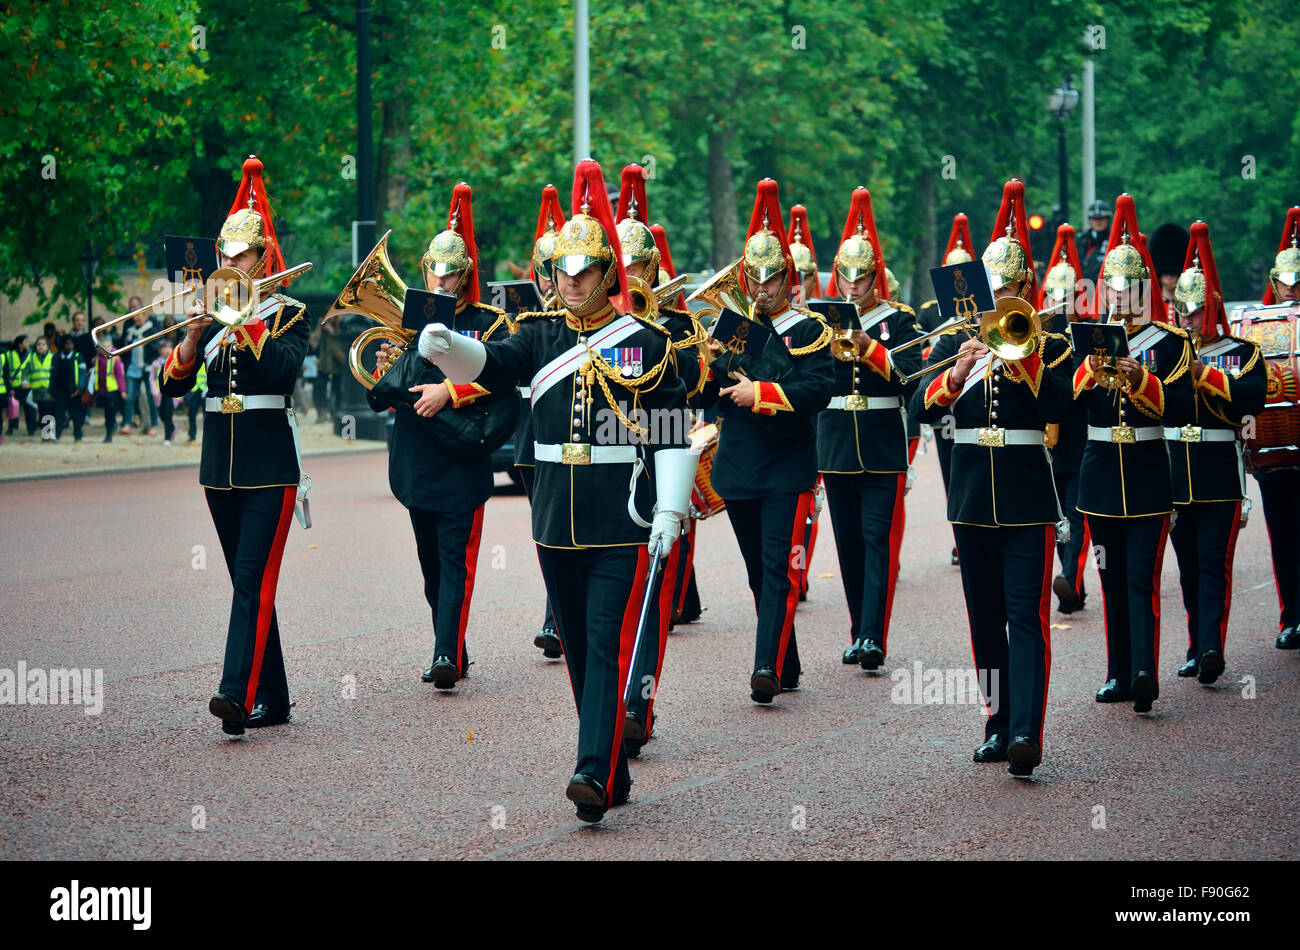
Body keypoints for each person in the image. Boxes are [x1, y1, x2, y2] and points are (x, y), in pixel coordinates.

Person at [417, 159, 692, 822]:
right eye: (561, 274)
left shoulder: (642, 343)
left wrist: (671, 506)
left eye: (584, 273)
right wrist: (444, 345)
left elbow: (671, 431)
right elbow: (489, 365)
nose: (571, 285)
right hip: (553, 520)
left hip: (620, 518)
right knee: (576, 649)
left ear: (606, 275)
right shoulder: (535, 335)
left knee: (603, 644)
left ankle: (591, 770)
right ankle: (610, 768)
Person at [910, 179, 1073, 777]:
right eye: (990, 287)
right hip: (973, 498)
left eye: (1005, 288)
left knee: (1025, 617)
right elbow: (922, 408)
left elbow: (1065, 407)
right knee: (985, 620)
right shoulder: (962, 340)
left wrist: (1023, 357)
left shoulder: (1050, 341)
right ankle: (997, 723)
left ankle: (1027, 730)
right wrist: (955, 374)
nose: (996, 298)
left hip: (1028, 498)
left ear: (1023, 292)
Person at [157, 155, 311, 737]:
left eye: (240, 256)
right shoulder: (210, 317)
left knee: (251, 582)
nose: (229, 264)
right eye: (224, 256)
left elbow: (280, 373)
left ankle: (234, 695)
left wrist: (243, 318)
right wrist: (195, 334)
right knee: (250, 585)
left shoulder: (289, 313)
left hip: (270, 469)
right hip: (218, 469)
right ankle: (274, 695)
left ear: (263, 257)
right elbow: (173, 388)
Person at [372, 183, 518, 689]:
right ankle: (451, 641)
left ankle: (444, 656)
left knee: (457, 561)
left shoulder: (488, 323)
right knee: (431, 565)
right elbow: (383, 392)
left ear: (465, 274)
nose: (442, 279)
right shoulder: (404, 325)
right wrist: (387, 365)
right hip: (417, 459)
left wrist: (449, 392)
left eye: (451, 271)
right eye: (435, 269)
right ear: (423, 269)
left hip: (463, 458)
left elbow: (502, 386)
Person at [697, 178, 834, 704]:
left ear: (787, 280)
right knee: (759, 572)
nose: (761, 289)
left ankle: (765, 668)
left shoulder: (809, 328)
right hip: (738, 464)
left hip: (786, 463)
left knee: (778, 567)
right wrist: (709, 361)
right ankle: (788, 659)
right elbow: (706, 396)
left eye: (770, 280)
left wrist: (763, 390)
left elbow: (819, 389)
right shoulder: (730, 328)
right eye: (753, 279)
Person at [1075, 194, 1195, 714]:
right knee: (1109, 577)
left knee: (1140, 577)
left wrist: (1141, 378)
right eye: (1114, 289)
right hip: (1101, 473)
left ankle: (1144, 670)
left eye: (1130, 290)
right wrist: (1093, 362)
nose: (1121, 297)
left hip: (1146, 471)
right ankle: (1116, 672)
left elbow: (1182, 406)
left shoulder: (1168, 343)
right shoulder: (1090, 339)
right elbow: (1069, 397)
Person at [614, 164, 708, 757]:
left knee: (649, 603)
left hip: (655, 471)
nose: (630, 276)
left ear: (652, 269)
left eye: (637, 266)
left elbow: (691, 390)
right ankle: (606, 704)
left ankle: (636, 709)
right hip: (601, 471)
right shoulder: (588, 327)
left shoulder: (676, 324)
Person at [817, 187, 922, 671]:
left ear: (876, 277)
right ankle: (858, 629)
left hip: (881, 443)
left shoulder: (899, 321)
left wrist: (869, 348)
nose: (853, 285)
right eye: (847, 277)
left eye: (862, 277)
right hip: (837, 442)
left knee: (877, 538)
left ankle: (875, 636)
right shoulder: (822, 318)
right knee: (849, 544)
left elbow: (909, 380)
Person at [1165, 221, 1265, 684]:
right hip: (1173, 478)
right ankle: (1193, 643)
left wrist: (1203, 373)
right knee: (1187, 569)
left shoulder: (1240, 351)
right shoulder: (1163, 351)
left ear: (1212, 308)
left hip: (1219, 477)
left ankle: (1211, 647)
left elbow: (1251, 398)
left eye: (1195, 311)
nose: (1187, 320)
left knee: (1213, 565)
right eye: (1181, 311)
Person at [513, 183, 565, 660]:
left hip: (570, 437)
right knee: (543, 528)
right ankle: (556, 614)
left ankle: (556, 619)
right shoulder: (528, 320)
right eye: (545, 272)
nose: (550, 281)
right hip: (532, 440)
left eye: (557, 271)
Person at [1247, 206, 1300, 649]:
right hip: (1279, 450)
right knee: (1283, 535)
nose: (1294, 288)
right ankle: (1292, 615)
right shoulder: (1261, 329)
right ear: (1275, 281)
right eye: (1288, 280)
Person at [1040, 224, 1092, 614]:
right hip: (1045, 446)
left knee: (1074, 515)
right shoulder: (1035, 335)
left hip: (1078, 440)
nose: (1058, 303)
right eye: (1052, 296)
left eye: (1065, 296)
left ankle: (1071, 578)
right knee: (1056, 517)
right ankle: (1072, 580)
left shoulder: (1086, 333)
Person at [119, 307, 159, 435]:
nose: (137, 318)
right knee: (130, 397)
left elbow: (157, 348)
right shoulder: (129, 332)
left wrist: (146, 343)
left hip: (147, 368)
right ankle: (126, 424)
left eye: (140, 315)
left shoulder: (151, 330)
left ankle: (153, 425)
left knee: (150, 397)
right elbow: (124, 351)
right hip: (132, 369)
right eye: (135, 315)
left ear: (145, 316)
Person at [52, 333, 88, 441]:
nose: (69, 346)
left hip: (74, 391)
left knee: (76, 415)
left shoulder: (78, 357)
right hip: (60, 390)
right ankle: (57, 435)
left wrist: (80, 388)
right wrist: (52, 389)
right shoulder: (57, 357)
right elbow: (53, 375)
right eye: (67, 344)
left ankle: (78, 435)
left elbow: (82, 373)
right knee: (59, 414)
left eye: (71, 344)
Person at [21, 335, 55, 438]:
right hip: (36, 390)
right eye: (38, 344)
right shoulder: (31, 357)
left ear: (47, 347)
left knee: (49, 411)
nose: (40, 347)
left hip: (49, 390)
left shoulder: (52, 357)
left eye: (43, 345)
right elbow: (25, 371)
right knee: (42, 412)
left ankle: (49, 433)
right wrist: (25, 382)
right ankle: (46, 433)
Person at [92, 344, 127, 442]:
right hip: (103, 391)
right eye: (103, 347)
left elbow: (119, 376)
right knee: (108, 415)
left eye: (108, 346)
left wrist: (122, 390)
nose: (106, 349)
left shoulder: (115, 360)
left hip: (113, 391)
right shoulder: (97, 360)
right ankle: (109, 433)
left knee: (112, 413)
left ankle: (111, 433)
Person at [148, 339, 177, 445]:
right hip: (159, 394)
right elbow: (151, 378)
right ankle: (173, 428)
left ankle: (167, 438)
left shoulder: (175, 362)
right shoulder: (156, 364)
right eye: (164, 348)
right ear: (160, 350)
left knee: (168, 414)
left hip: (171, 393)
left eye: (169, 347)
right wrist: (154, 390)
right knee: (162, 414)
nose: (167, 350)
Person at [1077, 199, 1111, 288]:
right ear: (1090, 220)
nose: (1098, 222)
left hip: (1106, 288)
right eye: (1095, 219)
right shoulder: (1081, 239)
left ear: (1108, 220)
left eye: (1102, 218)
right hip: (1083, 289)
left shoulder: (1114, 239)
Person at [6, 335, 30, 435]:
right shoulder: (9, 354)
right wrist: (9, 385)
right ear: (20, 344)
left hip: (27, 386)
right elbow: (5, 370)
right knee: (12, 407)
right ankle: (11, 428)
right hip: (14, 386)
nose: (28, 343)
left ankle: (31, 430)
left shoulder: (30, 355)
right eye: (26, 342)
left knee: (29, 409)